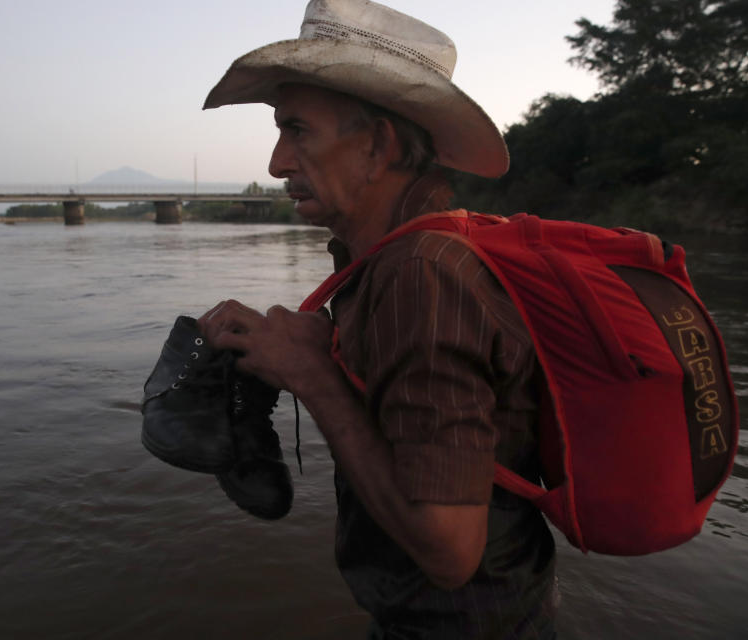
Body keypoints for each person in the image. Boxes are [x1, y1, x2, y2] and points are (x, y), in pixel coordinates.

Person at [198, 1, 557, 637]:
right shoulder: (395, 263)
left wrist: (314, 375)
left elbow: (449, 552)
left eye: (298, 130)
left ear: (378, 145)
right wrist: (321, 345)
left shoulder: (423, 274)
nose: (278, 163)